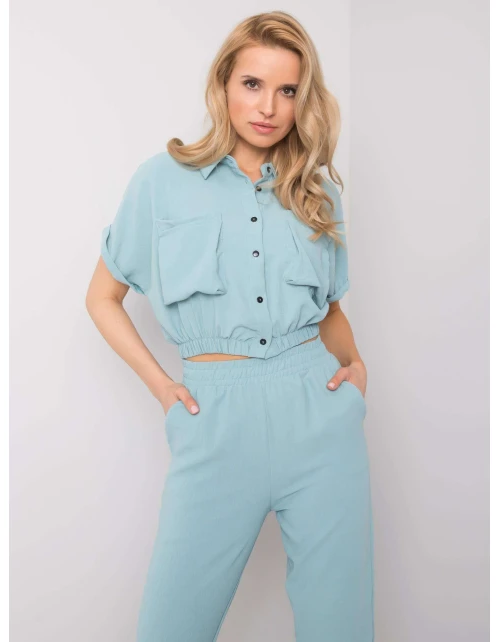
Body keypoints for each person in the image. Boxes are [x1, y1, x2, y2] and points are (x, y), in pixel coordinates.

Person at [85, 11, 374, 642]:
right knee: (170, 628)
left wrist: (356, 372)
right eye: (252, 84)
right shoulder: (161, 182)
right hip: (213, 419)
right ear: (222, 84)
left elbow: (328, 309)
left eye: (287, 90)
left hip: (319, 417)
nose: (268, 107)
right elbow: (102, 297)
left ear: (303, 99)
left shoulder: (316, 192)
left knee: (341, 627)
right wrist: (165, 389)